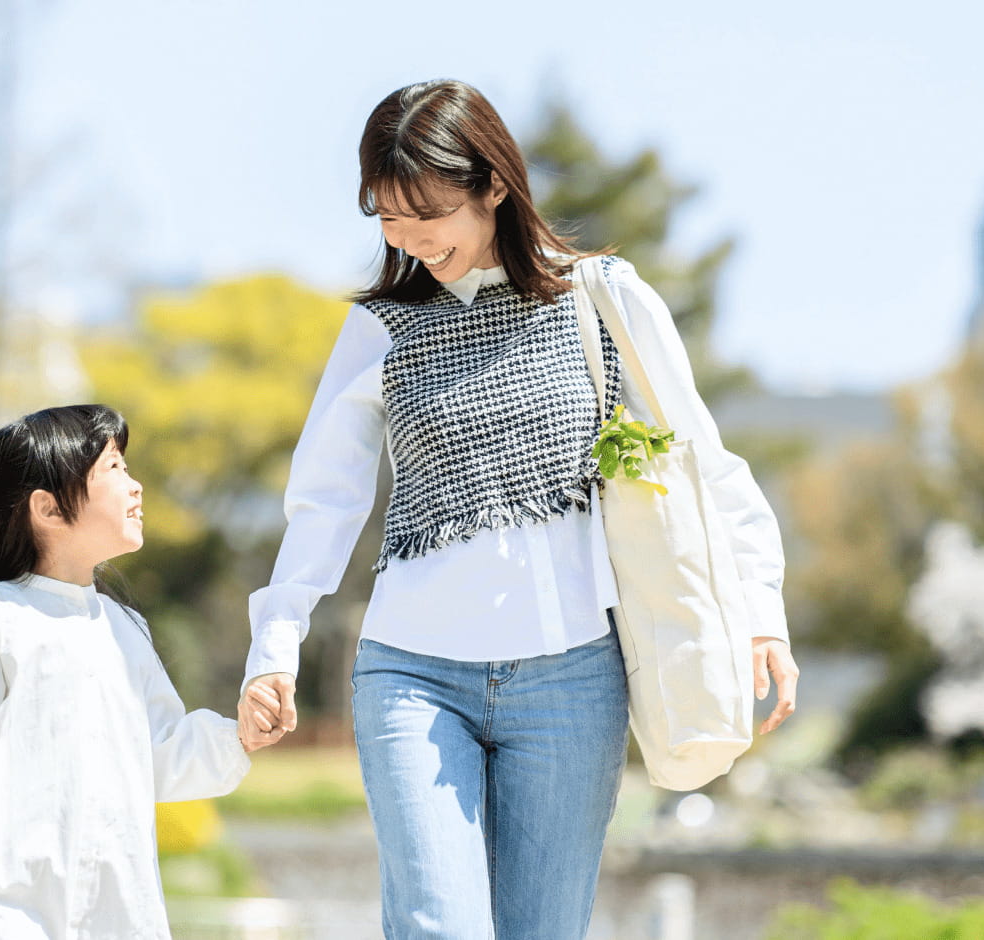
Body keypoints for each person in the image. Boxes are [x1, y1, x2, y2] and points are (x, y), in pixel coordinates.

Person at [236, 80, 800, 939]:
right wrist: (275, 646)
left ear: (494, 185)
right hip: (413, 675)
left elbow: (707, 467)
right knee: (438, 927)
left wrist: (760, 613)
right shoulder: (383, 328)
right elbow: (326, 498)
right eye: (388, 218)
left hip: (572, 681)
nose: (412, 239)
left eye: (429, 212)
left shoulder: (602, 302)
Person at [0, 405, 256, 940]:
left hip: (120, 914)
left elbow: (161, 754)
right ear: (49, 510)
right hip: (11, 912)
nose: (136, 486)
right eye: (115, 469)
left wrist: (240, 734)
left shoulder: (127, 629)